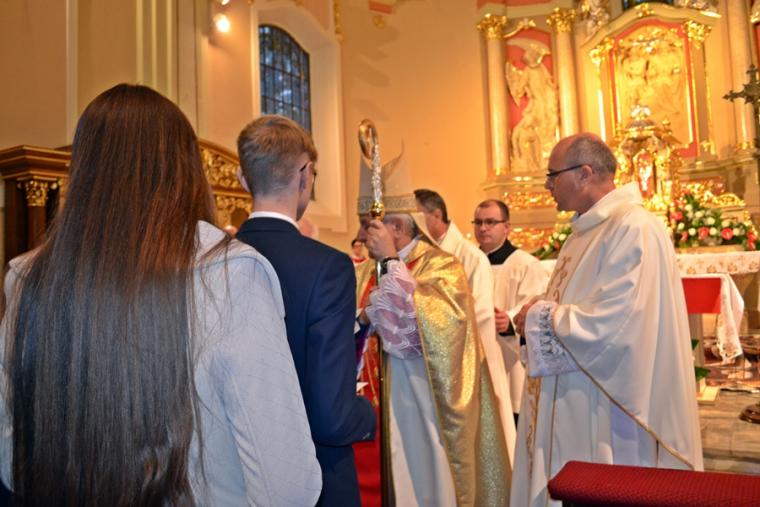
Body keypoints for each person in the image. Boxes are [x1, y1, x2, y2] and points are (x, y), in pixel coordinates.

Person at [0, 84, 321, 506]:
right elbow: (288, 484)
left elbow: (13, 459)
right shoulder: (229, 275)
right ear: (186, 170)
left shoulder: (29, 278)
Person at [510, 133, 703, 506]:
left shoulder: (633, 227)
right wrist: (542, 310)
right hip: (576, 393)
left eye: (552, 175)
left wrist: (539, 317)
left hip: (608, 405)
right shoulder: (584, 230)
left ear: (584, 173)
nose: (547, 186)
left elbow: (619, 325)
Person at [354, 152, 510, 506]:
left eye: (368, 225)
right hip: (373, 406)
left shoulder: (441, 265)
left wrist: (391, 263)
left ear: (396, 227)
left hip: (421, 405)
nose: (362, 234)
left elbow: (443, 334)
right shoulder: (364, 270)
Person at [236, 115, 376, 507]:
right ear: (306, 175)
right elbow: (332, 416)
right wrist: (369, 415)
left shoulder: (210, 259)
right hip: (314, 475)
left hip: (236, 475)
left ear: (243, 179)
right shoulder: (327, 266)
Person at [414, 188, 517, 462]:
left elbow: (479, 317)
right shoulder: (423, 256)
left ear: (436, 215)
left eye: (417, 215)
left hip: (468, 365)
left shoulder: (470, 258)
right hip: (436, 364)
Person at [473, 199, 547, 425]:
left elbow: (537, 303)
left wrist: (510, 321)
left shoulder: (525, 265)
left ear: (507, 227)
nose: (483, 228)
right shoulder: (468, 263)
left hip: (510, 360)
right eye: (478, 222)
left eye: (490, 222)